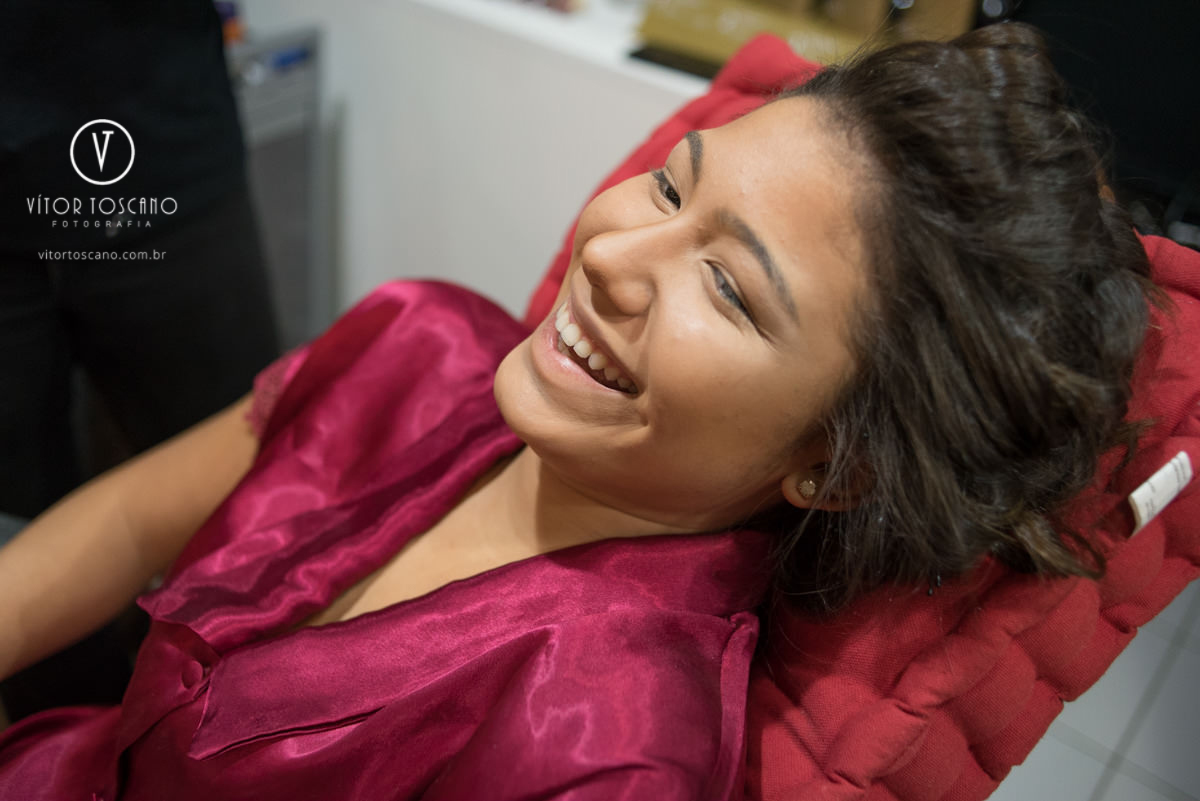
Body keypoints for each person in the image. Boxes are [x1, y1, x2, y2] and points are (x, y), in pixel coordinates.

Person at [0, 22, 1155, 800]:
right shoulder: (416, 335)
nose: (613, 255)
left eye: (728, 288)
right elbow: (130, 526)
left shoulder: (613, 751)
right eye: (670, 185)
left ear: (831, 463)